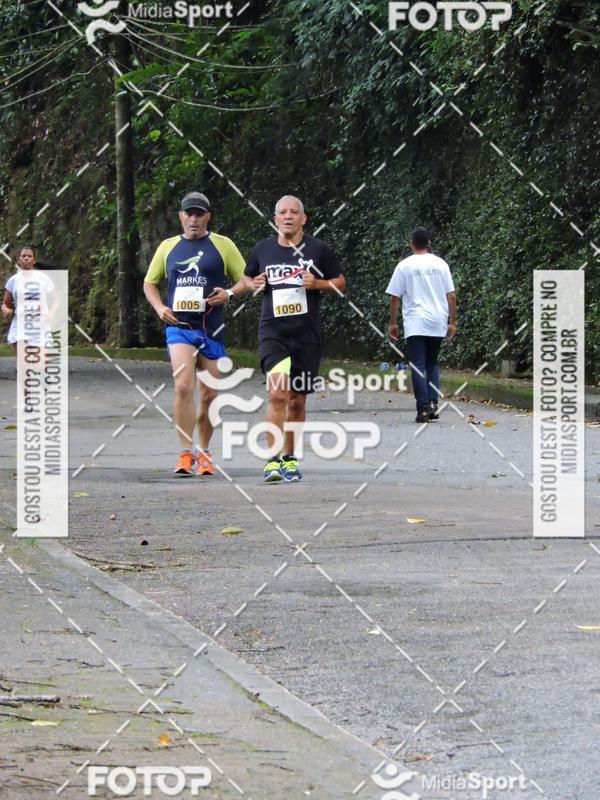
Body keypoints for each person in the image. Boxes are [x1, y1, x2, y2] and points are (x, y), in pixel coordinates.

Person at [144, 192, 248, 476]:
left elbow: (246, 279)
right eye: (188, 213)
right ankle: (184, 453)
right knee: (182, 387)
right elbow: (149, 283)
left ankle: (204, 451)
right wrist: (159, 307)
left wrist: (228, 293)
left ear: (207, 217)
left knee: (209, 394)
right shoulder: (168, 247)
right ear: (180, 216)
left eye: (199, 213)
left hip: (212, 329)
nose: (193, 218)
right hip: (179, 328)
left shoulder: (222, 245)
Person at [244, 195, 346, 482]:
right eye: (282, 212)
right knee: (277, 393)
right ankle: (273, 459)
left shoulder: (318, 249)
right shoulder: (262, 249)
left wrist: (319, 283)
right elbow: (247, 279)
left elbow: (340, 283)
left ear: (304, 218)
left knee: (297, 400)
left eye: (294, 212)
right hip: (273, 333)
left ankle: (290, 459)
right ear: (275, 218)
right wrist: (255, 283)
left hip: (306, 335)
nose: (288, 216)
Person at [386, 227, 456, 423]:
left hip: (415, 322)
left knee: (418, 365)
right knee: (432, 363)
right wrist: (453, 322)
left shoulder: (404, 266)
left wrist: (393, 322)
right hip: (437, 321)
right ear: (429, 243)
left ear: (411, 243)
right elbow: (451, 295)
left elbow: (394, 297)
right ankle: (433, 403)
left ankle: (423, 409)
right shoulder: (441, 264)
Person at [2, 245, 54, 351]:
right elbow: (5, 304)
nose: (26, 258)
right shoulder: (13, 280)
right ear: (19, 260)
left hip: (40, 324)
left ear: (34, 261)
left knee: (39, 366)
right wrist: (6, 310)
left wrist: (51, 313)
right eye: (23, 256)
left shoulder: (43, 279)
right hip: (20, 324)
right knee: (23, 365)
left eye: (29, 256)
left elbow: (55, 299)